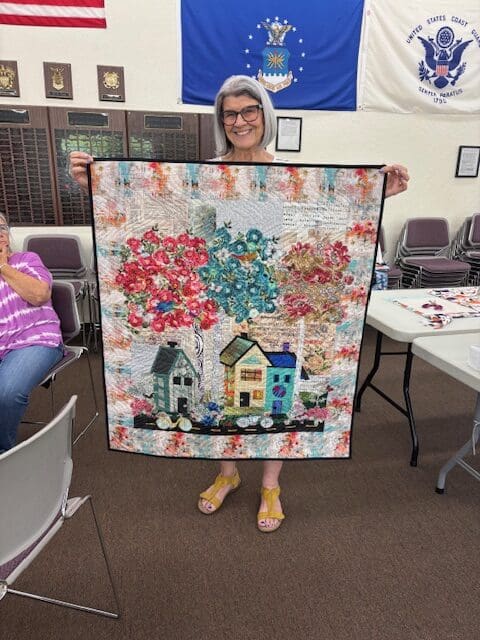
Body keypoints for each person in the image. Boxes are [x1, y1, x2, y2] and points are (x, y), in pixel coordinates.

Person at [69, 74, 409, 532]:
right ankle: (227, 474)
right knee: (218, 382)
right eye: (230, 114)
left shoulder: (289, 177)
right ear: (220, 121)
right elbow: (154, 207)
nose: (240, 121)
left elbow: (337, 216)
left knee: (270, 392)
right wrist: (96, 182)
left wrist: (378, 192)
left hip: (267, 301)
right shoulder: (207, 177)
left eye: (250, 110)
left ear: (265, 115)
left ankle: (270, 485)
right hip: (215, 297)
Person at [0, 214, 64, 452]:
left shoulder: (27, 260)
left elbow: (39, 295)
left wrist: (2, 266)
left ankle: (4, 454)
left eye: (2, 227)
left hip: (35, 339)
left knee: (7, 392)